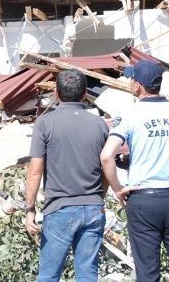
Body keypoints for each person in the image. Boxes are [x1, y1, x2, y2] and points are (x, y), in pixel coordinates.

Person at [101, 59, 169, 282]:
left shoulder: (129, 115)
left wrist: (118, 188)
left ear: (138, 85)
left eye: (131, 79)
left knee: (147, 271)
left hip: (143, 199)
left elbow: (106, 155)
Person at [24, 69, 109, 282]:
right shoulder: (99, 124)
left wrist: (30, 209)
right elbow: (108, 165)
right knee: (88, 274)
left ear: (56, 92)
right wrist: (101, 197)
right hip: (93, 208)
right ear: (84, 94)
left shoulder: (45, 123)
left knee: (48, 276)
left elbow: (35, 169)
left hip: (59, 209)